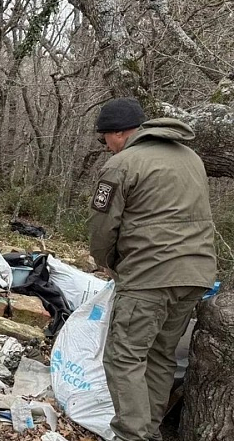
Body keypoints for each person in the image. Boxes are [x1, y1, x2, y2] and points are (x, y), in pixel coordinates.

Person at [88, 97, 217, 441]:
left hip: (150, 276)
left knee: (123, 357)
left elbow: (102, 228)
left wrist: (108, 262)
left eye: (105, 140)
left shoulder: (124, 163)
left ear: (116, 134)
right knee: (160, 356)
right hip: (196, 274)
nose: (107, 147)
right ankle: (150, 431)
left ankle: (132, 435)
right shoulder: (191, 158)